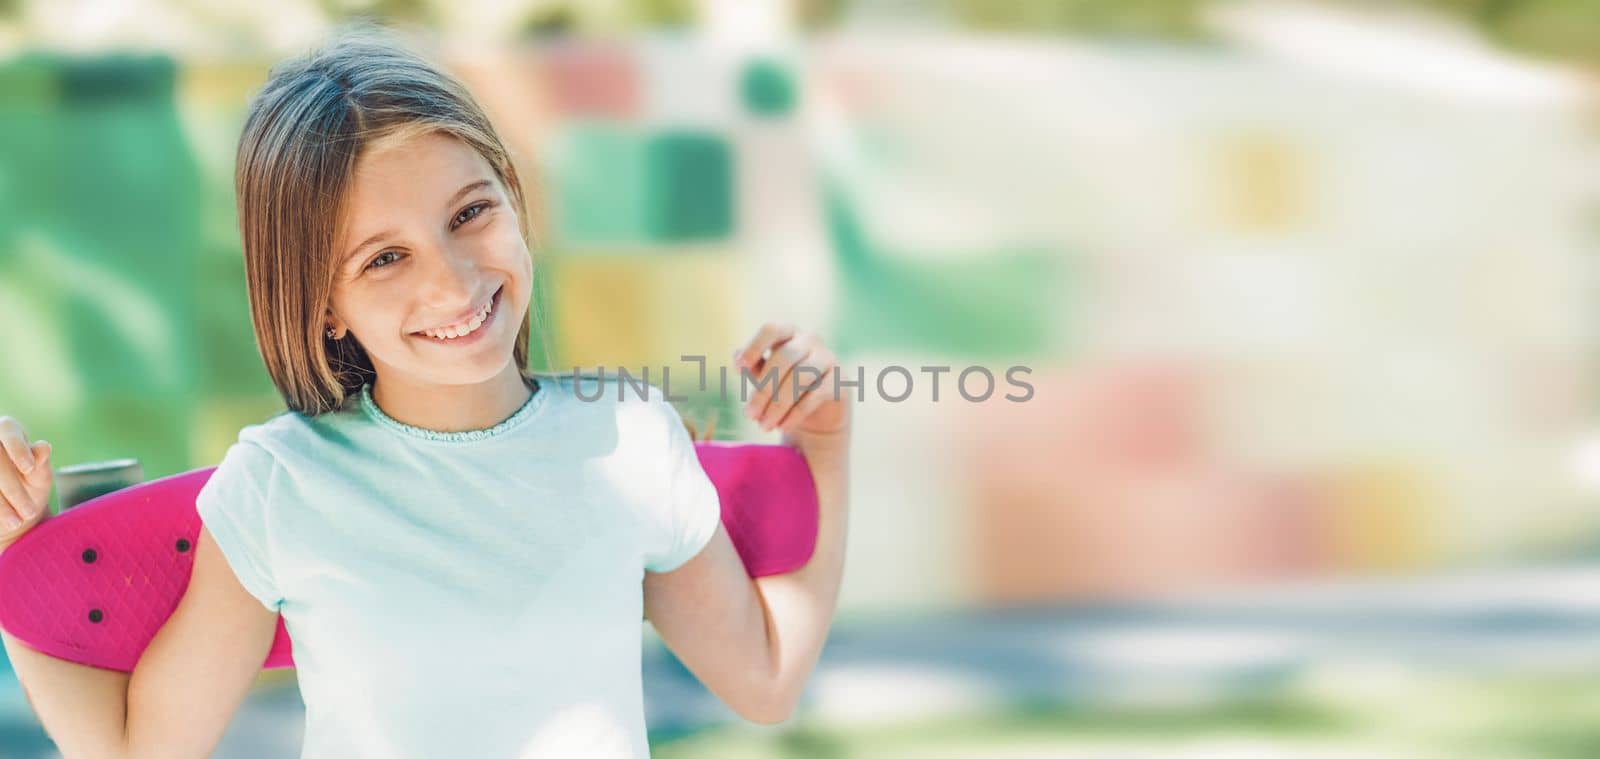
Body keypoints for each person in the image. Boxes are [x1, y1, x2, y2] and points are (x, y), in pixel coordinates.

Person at [0, 28, 850, 758]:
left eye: (470, 213)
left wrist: (826, 443)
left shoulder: (631, 436)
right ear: (321, 304)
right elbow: (141, 748)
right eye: (384, 257)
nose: (453, 280)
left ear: (514, 201)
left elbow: (767, 681)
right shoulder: (280, 487)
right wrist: (15, 562)